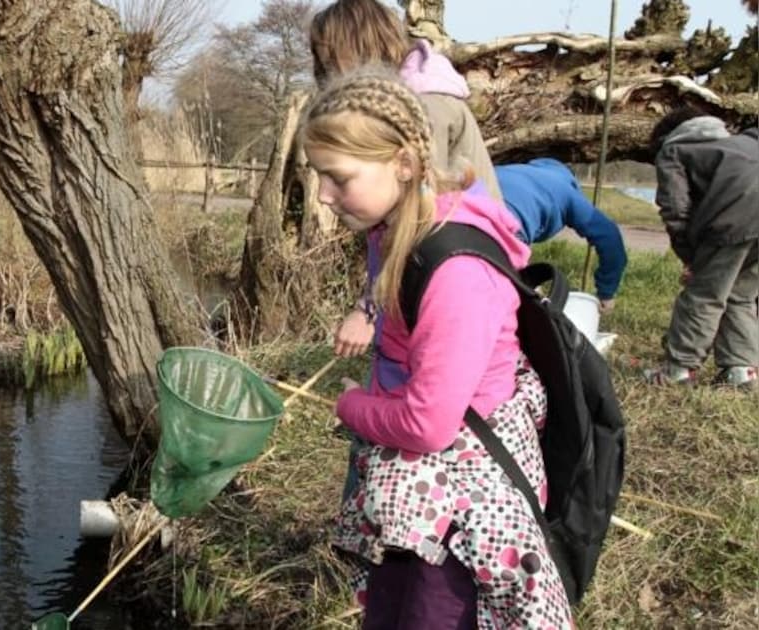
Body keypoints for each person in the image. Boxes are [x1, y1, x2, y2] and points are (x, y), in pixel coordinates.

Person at [301, 69, 572, 628]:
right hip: (425, 498)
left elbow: (428, 423)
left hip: (461, 516)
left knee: (436, 613)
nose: (324, 196)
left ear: (403, 163)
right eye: (318, 176)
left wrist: (351, 404)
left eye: (338, 177)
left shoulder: (455, 272)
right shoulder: (396, 230)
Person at [309, 0, 501, 203]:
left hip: (460, 231)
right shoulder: (404, 100)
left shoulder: (425, 104)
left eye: (332, 62)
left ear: (361, 46)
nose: (329, 75)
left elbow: (421, 203)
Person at [644, 108, 759, 388]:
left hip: (734, 219)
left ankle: (678, 370)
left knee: (703, 295)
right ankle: (741, 372)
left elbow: (675, 209)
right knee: (740, 295)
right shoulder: (740, 144)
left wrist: (692, 260)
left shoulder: (673, 150)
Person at [495, 158, 627, 310]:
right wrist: (607, 292)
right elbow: (610, 237)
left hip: (467, 207)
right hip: (503, 226)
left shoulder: (513, 170)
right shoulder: (567, 192)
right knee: (520, 305)